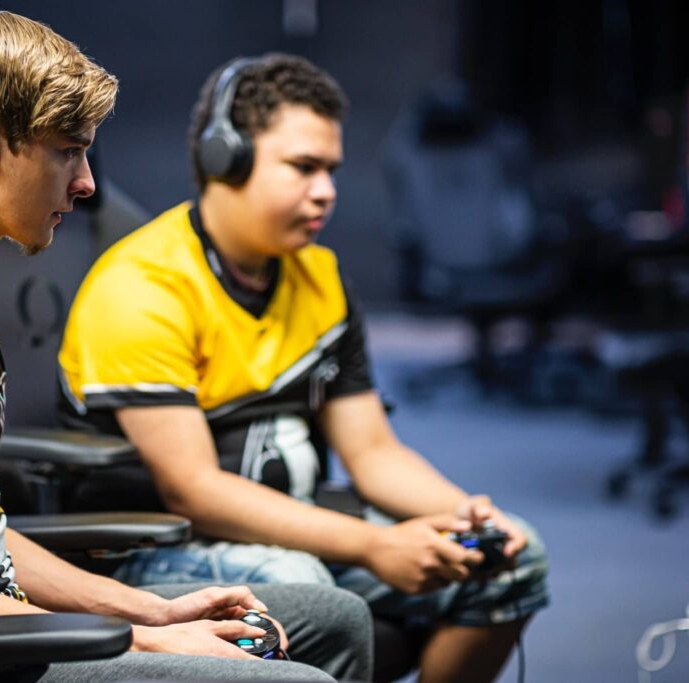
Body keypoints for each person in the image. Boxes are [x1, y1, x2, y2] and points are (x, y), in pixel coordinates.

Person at [0, 12, 372, 682]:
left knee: (337, 618)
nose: (88, 182)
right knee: (298, 677)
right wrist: (142, 642)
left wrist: (146, 609)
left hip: (2, 616)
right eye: (69, 149)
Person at [57, 53, 550, 683]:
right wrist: (377, 546)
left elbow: (372, 452)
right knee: (304, 587)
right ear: (223, 159)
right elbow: (195, 491)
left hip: (298, 523)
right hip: (157, 551)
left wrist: (467, 516)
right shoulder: (142, 287)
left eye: (331, 171)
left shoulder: (319, 276)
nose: (327, 191)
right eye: (303, 168)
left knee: (513, 555)